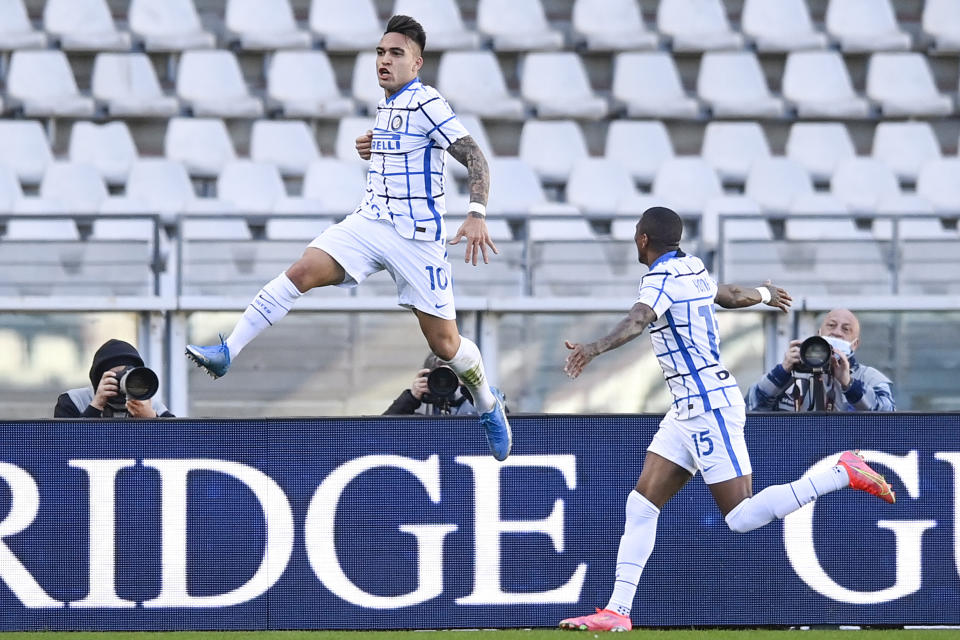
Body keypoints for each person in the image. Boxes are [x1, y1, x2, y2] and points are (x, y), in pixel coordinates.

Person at [184, 15, 510, 460]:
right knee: (302, 270)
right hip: (370, 223)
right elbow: (409, 147)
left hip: (417, 241)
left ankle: (488, 404)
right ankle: (228, 350)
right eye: (380, 52)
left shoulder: (427, 101)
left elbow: (475, 157)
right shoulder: (389, 104)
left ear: (417, 64)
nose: (384, 60)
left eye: (396, 54)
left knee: (445, 345)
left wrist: (476, 213)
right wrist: (377, 144)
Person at [557, 207, 895, 632]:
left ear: (642, 240)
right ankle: (617, 611)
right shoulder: (692, 265)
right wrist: (767, 295)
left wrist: (592, 348)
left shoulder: (658, 279)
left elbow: (638, 319)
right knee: (641, 504)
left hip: (707, 406)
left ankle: (841, 472)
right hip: (688, 407)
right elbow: (730, 294)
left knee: (740, 517)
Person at [746, 308, 895, 412]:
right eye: (831, 325)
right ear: (819, 334)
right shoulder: (791, 373)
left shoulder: (869, 377)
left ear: (855, 344)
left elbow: (890, 417)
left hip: (850, 453)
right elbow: (751, 406)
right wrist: (782, 372)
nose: (836, 332)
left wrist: (849, 384)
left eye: (845, 329)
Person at [55, 339, 173, 418]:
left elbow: (181, 447)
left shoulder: (148, 406)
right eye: (115, 376)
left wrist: (152, 420)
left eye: (129, 375)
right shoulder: (75, 401)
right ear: (99, 379)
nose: (124, 382)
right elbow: (61, 446)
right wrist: (95, 407)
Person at [384, 354, 478, 415]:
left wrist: (470, 389)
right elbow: (379, 431)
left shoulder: (473, 403)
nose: (443, 382)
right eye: (437, 378)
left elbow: (491, 415)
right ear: (426, 377)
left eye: (447, 377)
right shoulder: (417, 407)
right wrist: (411, 398)